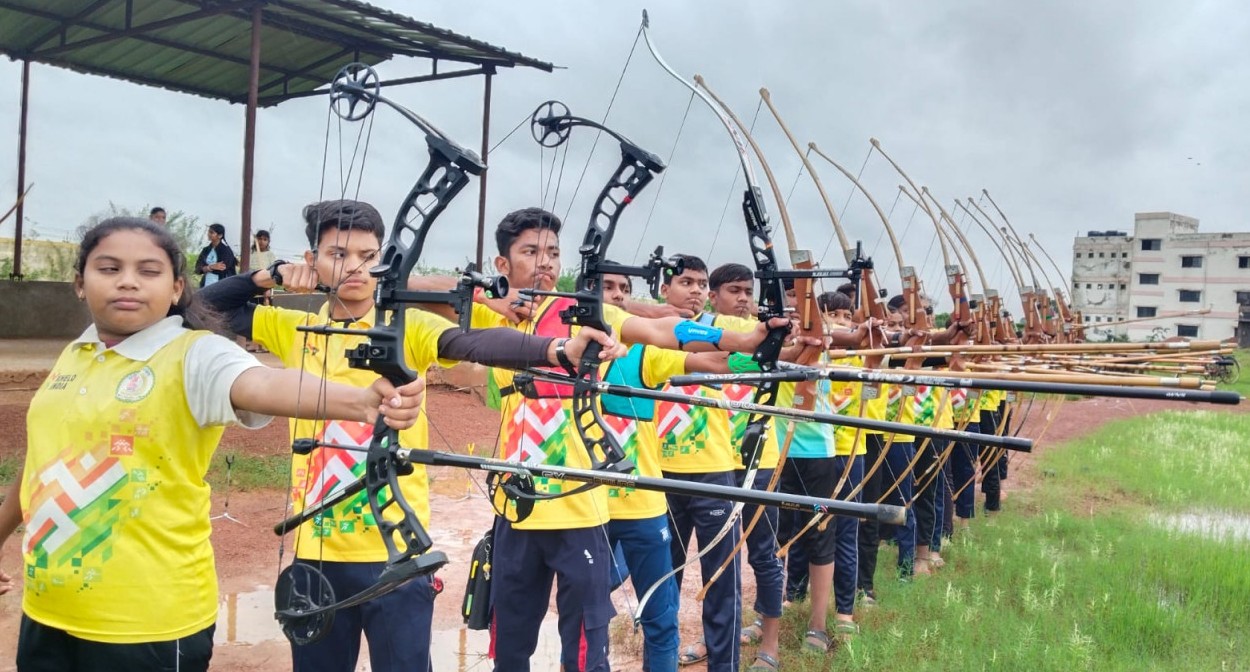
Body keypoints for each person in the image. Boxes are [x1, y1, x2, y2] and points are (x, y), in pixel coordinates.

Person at [198, 200, 623, 672]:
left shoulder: (407, 325)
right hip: (315, 553)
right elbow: (202, 307)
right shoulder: (293, 325)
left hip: (398, 556)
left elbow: (476, 342)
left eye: (368, 254)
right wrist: (268, 277)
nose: (356, 267)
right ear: (311, 259)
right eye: (338, 254)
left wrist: (557, 347)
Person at [0, 217, 426, 672]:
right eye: (108, 269)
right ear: (79, 283)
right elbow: (43, 463)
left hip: (149, 624)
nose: (128, 281)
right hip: (48, 614)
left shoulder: (196, 353)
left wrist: (360, 401)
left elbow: (262, 383)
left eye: (149, 271)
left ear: (177, 287)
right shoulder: (74, 356)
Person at [411, 207, 785, 672]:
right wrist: (493, 296)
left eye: (552, 252)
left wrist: (746, 342)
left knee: (587, 650)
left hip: (579, 507)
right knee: (510, 641)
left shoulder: (580, 315)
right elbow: (411, 291)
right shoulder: (495, 315)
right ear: (502, 264)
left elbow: (662, 330)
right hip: (517, 508)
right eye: (531, 252)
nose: (545, 262)